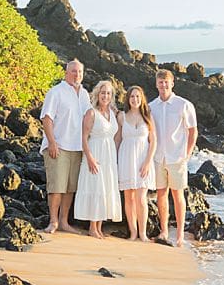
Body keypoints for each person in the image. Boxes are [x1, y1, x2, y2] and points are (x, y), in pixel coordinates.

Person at [39, 59, 90, 234]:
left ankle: (64, 222)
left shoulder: (84, 94)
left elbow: (89, 118)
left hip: (77, 147)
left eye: (80, 72)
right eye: (74, 71)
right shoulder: (56, 92)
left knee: (70, 187)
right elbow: (46, 118)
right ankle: (53, 221)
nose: (77, 75)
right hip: (58, 146)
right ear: (66, 73)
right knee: (56, 187)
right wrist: (52, 143)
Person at [149, 69, 197, 247]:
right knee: (161, 194)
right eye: (160, 82)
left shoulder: (183, 105)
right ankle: (163, 230)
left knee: (178, 195)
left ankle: (179, 235)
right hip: (158, 157)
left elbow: (193, 130)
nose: (163, 85)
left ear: (172, 83)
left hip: (177, 157)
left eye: (166, 82)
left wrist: (188, 153)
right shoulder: (152, 106)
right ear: (156, 84)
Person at [74, 80, 122, 238]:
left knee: (105, 188)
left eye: (108, 93)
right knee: (95, 187)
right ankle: (92, 228)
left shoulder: (113, 113)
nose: (105, 96)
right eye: (103, 93)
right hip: (95, 152)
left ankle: (99, 227)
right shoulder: (91, 113)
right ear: (97, 94)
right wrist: (89, 158)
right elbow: (83, 137)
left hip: (109, 156)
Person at [115, 85, 156, 241]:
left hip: (142, 159)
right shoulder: (122, 116)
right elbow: (118, 139)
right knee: (129, 197)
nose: (135, 99)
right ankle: (132, 232)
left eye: (138, 96)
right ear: (128, 99)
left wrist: (147, 162)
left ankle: (143, 233)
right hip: (126, 158)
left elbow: (153, 142)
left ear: (142, 99)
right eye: (132, 96)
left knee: (141, 198)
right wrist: (115, 160)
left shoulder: (148, 117)